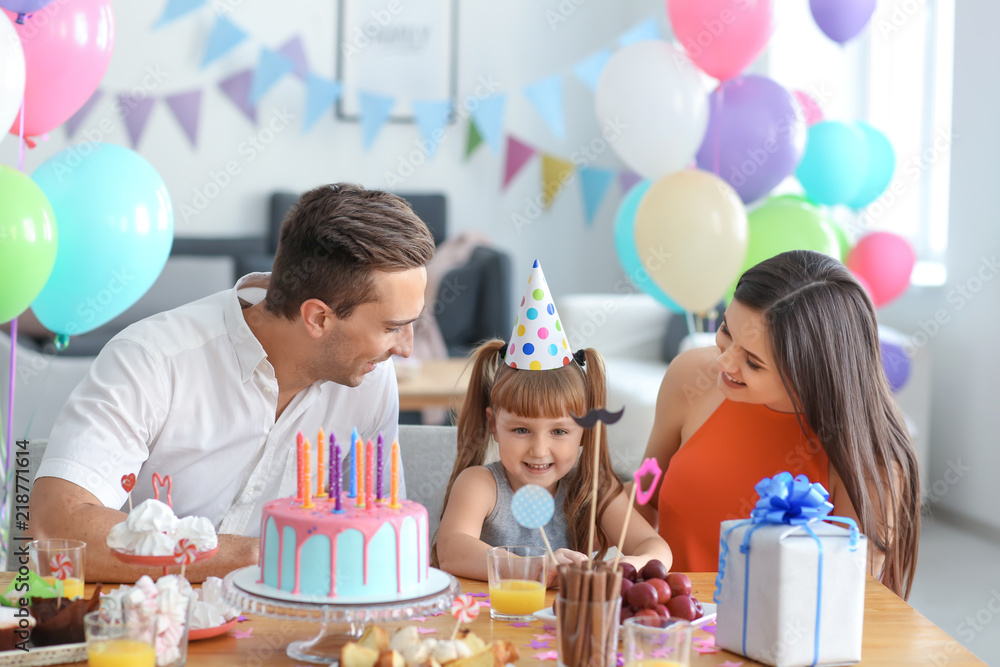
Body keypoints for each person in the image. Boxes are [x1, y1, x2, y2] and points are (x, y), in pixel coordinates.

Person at [30, 183, 436, 582]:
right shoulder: (152, 359)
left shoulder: (370, 381)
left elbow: (379, 532)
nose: (406, 349)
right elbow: (56, 530)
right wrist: (255, 555)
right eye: (393, 327)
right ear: (318, 318)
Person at [639, 250, 920, 598]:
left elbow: (848, 594)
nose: (724, 362)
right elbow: (646, 488)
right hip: (667, 624)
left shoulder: (871, 455)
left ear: (810, 373)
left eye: (753, 362)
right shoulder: (691, 376)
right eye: (726, 331)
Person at [434, 261, 672, 581]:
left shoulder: (593, 492)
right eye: (521, 429)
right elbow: (452, 549)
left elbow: (656, 548)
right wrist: (537, 568)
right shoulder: (482, 485)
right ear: (493, 425)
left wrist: (617, 569)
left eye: (559, 431)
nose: (539, 449)